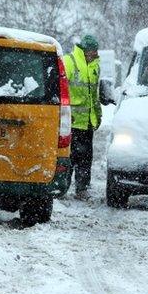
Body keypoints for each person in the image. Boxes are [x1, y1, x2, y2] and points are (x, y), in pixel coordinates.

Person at [63, 35, 102, 199]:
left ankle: (82, 189)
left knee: (85, 158)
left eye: (95, 52)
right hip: (71, 121)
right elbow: (62, 88)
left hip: (87, 122)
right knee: (68, 157)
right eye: (91, 51)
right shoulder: (69, 62)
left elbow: (94, 94)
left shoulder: (95, 66)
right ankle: (62, 188)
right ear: (84, 50)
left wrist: (98, 115)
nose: (93, 54)